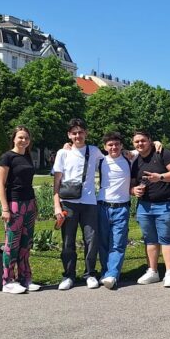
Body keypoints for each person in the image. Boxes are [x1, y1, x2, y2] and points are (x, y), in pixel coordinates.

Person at [52, 118, 105, 291]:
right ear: (69, 135)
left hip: (89, 202)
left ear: (86, 133)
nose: (78, 136)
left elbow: (114, 155)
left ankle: (89, 273)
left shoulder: (94, 151)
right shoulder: (63, 153)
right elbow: (57, 182)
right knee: (68, 240)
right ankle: (68, 275)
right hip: (68, 203)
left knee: (91, 239)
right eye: (74, 133)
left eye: (81, 132)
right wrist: (57, 206)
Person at [130, 130, 170, 288]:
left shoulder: (163, 153)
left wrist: (159, 177)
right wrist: (134, 191)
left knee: (167, 238)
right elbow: (132, 183)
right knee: (150, 239)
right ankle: (153, 271)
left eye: (143, 140)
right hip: (145, 205)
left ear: (150, 140)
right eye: (136, 142)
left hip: (167, 203)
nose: (140, 144)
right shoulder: (135, 160)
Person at [0, 126, 38, 294]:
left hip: (29, 203)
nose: (23, 141)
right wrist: (5, 208)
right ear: (14, 139)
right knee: (12, 244)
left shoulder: (27, 156)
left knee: (25, 244)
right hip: (14, 204)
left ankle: (25, 278)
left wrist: (35, 205)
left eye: (26, 138)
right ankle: (7, 280)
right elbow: (1, 184)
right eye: (20, 137)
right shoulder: (7, 158)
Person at [97, 132, 132, 290]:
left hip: (121, 207)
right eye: (110, 145)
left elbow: (148, 146)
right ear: (104, 147)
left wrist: (157, 142)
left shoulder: (130, 158)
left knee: (118, 243)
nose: (114, 147)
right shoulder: (100, 160)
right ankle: (105, 273)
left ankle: (112, 274)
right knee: (103, 243)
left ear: (122, 146)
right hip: (103, 206)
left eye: (117, 144)